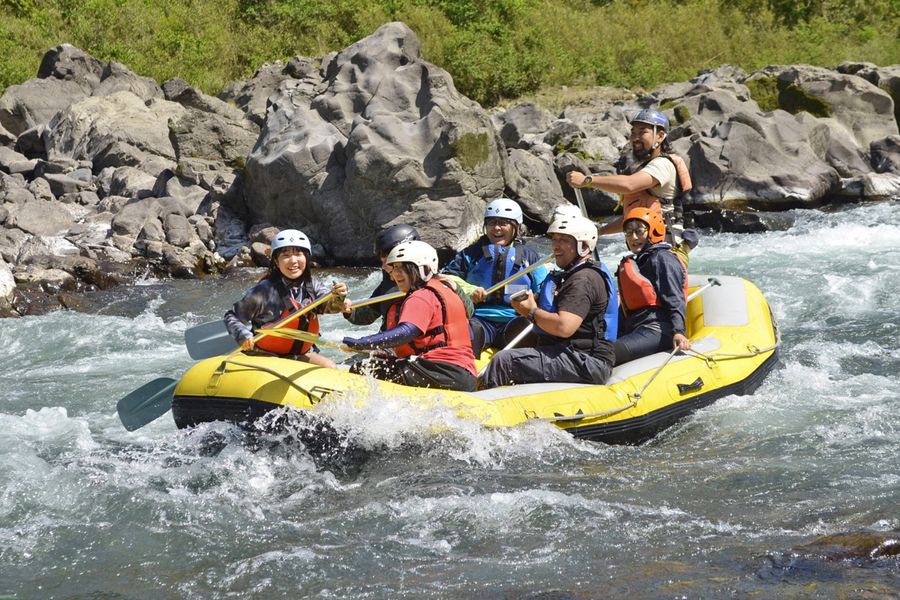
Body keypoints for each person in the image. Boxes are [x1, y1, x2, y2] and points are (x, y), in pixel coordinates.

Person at [479, 215, 617, 389]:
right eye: (554, 239)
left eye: (564, 240)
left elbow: (564, 327)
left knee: (504, 361)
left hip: (586, 362)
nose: (555, 246)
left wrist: (531, 312)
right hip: (570, 353)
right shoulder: (571, 275)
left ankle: (485, 405)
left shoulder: (583, 280)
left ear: (583, 246)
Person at [565, 108, 698, 264]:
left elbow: (629, 185)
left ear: (660, 136)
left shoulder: (662, 165)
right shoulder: (649, 167)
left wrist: (587, 180)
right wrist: (599, 232)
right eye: (633, 133)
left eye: (642, 132)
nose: (635, 138)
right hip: (652, 252)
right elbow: (632, 220)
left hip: (666, 255)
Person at [342, 240, 477, 392]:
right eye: (394, 268)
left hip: (441, 371)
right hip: (462, 374)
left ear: (422, 269)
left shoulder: (421, 296)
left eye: (403, 268)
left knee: (362, 368)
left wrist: (364, 343)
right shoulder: (445, 289)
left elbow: (405, 332)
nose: (395, 275)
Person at [224, 228, 348, 368]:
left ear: (306, 258)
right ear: (276, 261)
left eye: (298, 254)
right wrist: (242, 335)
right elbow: (232, 316)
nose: (293, 261)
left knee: (330, 367)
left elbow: (327, 306)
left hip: (297, 355)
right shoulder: (264, 291)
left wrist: (338, 298)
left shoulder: (312, 285)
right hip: (264, 354)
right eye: (286, 255)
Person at [441, 198, 549, 354]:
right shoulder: (472, 253)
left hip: (514, 319)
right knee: (464, 329)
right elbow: (445, 279)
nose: (496, 228)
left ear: (516, 228)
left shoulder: (529, 256)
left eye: (503, 223)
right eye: (492, 223)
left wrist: (533, 301)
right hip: (479, 320)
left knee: (527, 329)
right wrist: (470, 290)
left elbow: (544, 288)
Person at [341, 223, 474, 329]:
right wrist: (349, 311)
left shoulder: (438, 282)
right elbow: (368, 314)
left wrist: (456, 289)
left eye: (388, 261)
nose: (384, 267)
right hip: (390, 346)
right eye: (382, 262)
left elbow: (468, 311)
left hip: (425, 350)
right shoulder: (388, 283)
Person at [612, 207, 691, 366]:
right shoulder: (640, 261)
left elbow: (674, 298)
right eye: (628, 233)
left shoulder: (662, 259)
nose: (633, 237)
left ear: (653, 231)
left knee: (606, 353)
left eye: (639, 231)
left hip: (657, 330)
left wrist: (678, 332)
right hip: (637, 327)